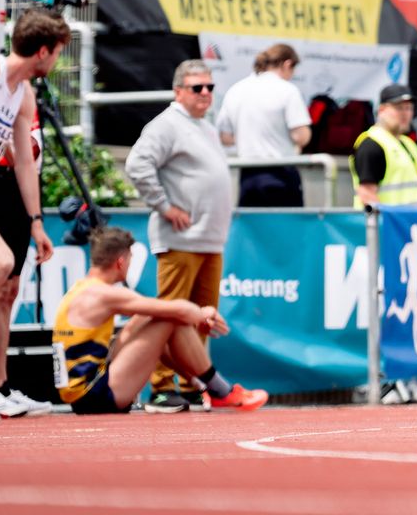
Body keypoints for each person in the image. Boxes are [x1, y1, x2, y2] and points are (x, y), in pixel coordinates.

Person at [0, 7, 63, 416]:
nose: (58, 61)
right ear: (44, 52)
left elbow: (23, 161)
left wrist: (37, 223)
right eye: (58, 53)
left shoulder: (24, 94)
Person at [51, 226, 266, 415]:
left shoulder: (82, 288)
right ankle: (221, 391)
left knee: (145, 317)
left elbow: (152, 311)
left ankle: (202, 385)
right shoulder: (104, 294)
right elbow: (175, 309)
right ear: (120, 261)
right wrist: (205, 312)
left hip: (84, 392)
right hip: (94, 396)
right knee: (169, 319)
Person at [125, 59, 235, 412]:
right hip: (180, 238)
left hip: (208, 238)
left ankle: (193, 382)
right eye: (197, 88)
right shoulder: (167, 124)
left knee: (203, 317)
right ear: (178, 91)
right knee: (171, 315)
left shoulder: (204, 126)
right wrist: (165, 206)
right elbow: (137, 165)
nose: (205, 94)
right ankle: (159, 385)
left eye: (210, 87)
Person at [215, 43, 312, 208]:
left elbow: (225, 137)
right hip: (280, 173)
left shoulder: (236, 90)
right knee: (286, 230)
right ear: (287, 64)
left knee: (252, 230)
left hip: (247, 174)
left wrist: (249, 138)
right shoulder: (287, 90)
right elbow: (300, 136)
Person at [351, 86, 417, 209]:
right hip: (388, 225)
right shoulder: (371, 145)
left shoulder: (408, 143)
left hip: (412, 224)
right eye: (399, 108)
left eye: (409, 108)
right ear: (381, 110)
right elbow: (367, 195)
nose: (405, 114)